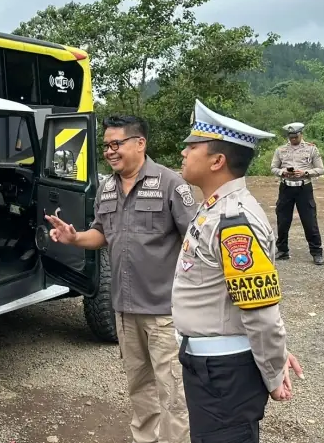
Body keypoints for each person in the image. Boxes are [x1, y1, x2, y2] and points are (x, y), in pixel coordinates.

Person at [46, 115, 196, 443]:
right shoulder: (108, 187)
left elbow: (195, 242)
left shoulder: (171, 183)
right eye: (106, 146)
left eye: (117, 144)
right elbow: (101, 234)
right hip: (125, 312)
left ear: (139, 143)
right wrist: (74, 238)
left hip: (163, 313)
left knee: (174, 392)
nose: (110, 152)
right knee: (140, 387)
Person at [173, 100, 304, 443]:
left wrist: (273, 372)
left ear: (217, 161)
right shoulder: (214, 207)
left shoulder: (235, 222)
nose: (184, 152)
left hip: (225, 374)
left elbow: (260, 311)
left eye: (193, 146)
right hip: (210, 366)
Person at [270, 122, 324, 265]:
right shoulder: (280, 150)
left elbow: (320, 169)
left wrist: (306, 172)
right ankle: (282, 250)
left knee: (309, 221)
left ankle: (316, 252)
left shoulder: (311, 149)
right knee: (283, 220)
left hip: (304, 188)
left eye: (296, 136)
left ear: (301, 134)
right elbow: (273, 168)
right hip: (286, 188)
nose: (293, 139)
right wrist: (283, 172)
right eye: (291, 136)